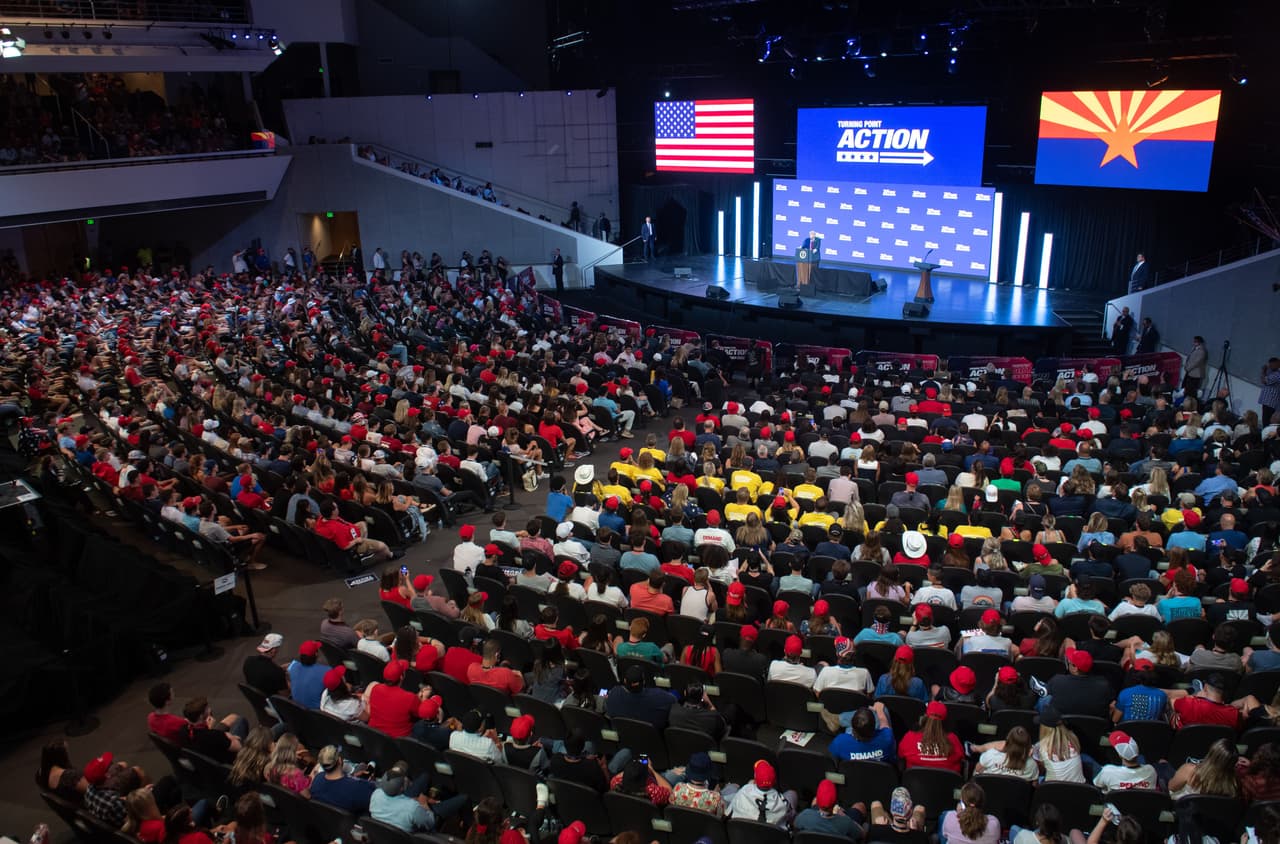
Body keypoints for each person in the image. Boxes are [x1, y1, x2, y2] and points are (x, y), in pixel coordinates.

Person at [369, 760, 468, 833]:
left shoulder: (376, 794)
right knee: (464, 798)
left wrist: (412, 801)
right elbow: (430, 822)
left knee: (426, 776)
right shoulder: (413, 808)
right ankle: (467, 829)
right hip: (424, 820)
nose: (406, 779)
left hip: (389, 828)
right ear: (401, 789)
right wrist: (424, 804)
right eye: (404, 780)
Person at [725, 760, 795, 826]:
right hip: (771, 834)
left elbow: (728, 812)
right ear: (774, 782)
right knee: (792, 794)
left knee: (735, 787)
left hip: (742, 833)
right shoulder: (781, 800)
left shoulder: (744, 791)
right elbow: (789, 813)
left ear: (755, 778)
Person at [309, 745, 377, 813]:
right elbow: (374, 802)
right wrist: (371, 782)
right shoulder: (360, 788)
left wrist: (353, 777)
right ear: (339, 760)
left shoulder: (317, 779)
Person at [898, 702, 963, 772]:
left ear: (924, 718)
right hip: (948, 782)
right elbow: (961, 758)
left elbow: (900, 756)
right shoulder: (953, 740)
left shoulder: (909, 738)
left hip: (915, 782)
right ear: (946, 722)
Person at [794, 779, 863, 837]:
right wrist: (845, 816)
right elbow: (862, 834)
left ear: (818, 801)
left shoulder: (804, 815)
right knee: (860, 806)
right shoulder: (846, 823)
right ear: (835, 803)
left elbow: (795, 825)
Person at [829, 703, 897, 763]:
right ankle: (839, 719)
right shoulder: (887, 739)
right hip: (880, 773)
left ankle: (838, 719)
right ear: (875, 727)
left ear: (853, 730)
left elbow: (833, 759)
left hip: (853, 773)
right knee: (883, 710)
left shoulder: (840, 742)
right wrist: (880, 710)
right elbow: (885, 725)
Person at [1092, 731, 1157, 792]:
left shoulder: (1107, 771)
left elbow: (1097, 785)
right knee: (1142, 758)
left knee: (1086, 758)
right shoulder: (1151, 771)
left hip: (1115, 803)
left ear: (1120, 755)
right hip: (1142, 803)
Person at [243, 632, 289, 697]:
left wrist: (280, 669)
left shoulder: (248, 661)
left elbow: (263, 672)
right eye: (278, 648)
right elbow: (285, 696)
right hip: (273, 702)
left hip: (257, 699)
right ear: (273, 650)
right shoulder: (276, 672)